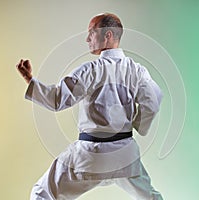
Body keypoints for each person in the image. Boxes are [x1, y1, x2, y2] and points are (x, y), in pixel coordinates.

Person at [16, 13, 163, 200]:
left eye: (92, 33)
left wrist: (29, 79)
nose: (87, 39)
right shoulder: (137, 70)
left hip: (90, 157)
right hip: (125, 157)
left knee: (41, 193)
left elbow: (56, 100)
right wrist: (139, 124)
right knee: (150, 197)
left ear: (108, 35)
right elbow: (153, 101)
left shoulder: (90, 70)